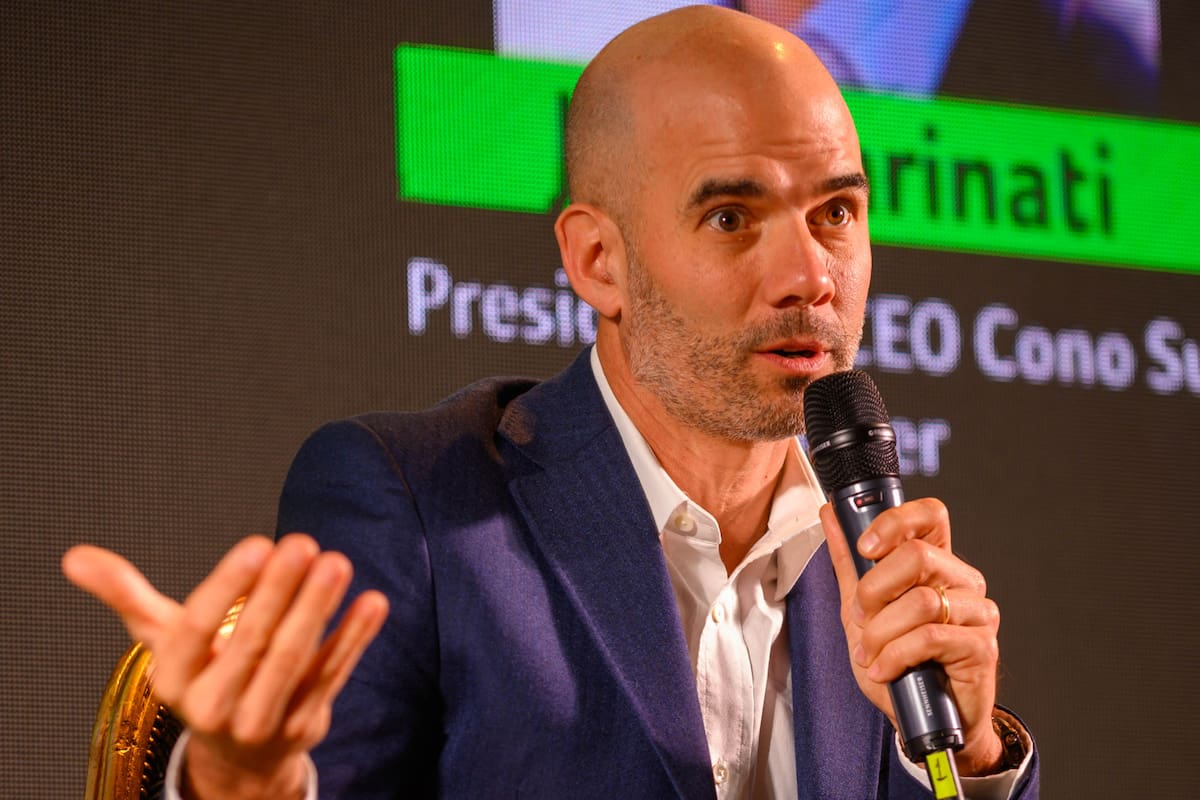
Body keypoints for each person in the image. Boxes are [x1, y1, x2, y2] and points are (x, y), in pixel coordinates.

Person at [63, 6, 1038, 798]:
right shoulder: (420, 502)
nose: (809, 273)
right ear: (596, 260)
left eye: (836, 211)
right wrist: (240, 780)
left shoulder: (874, 564)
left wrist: (974, 756)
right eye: (732, 215)